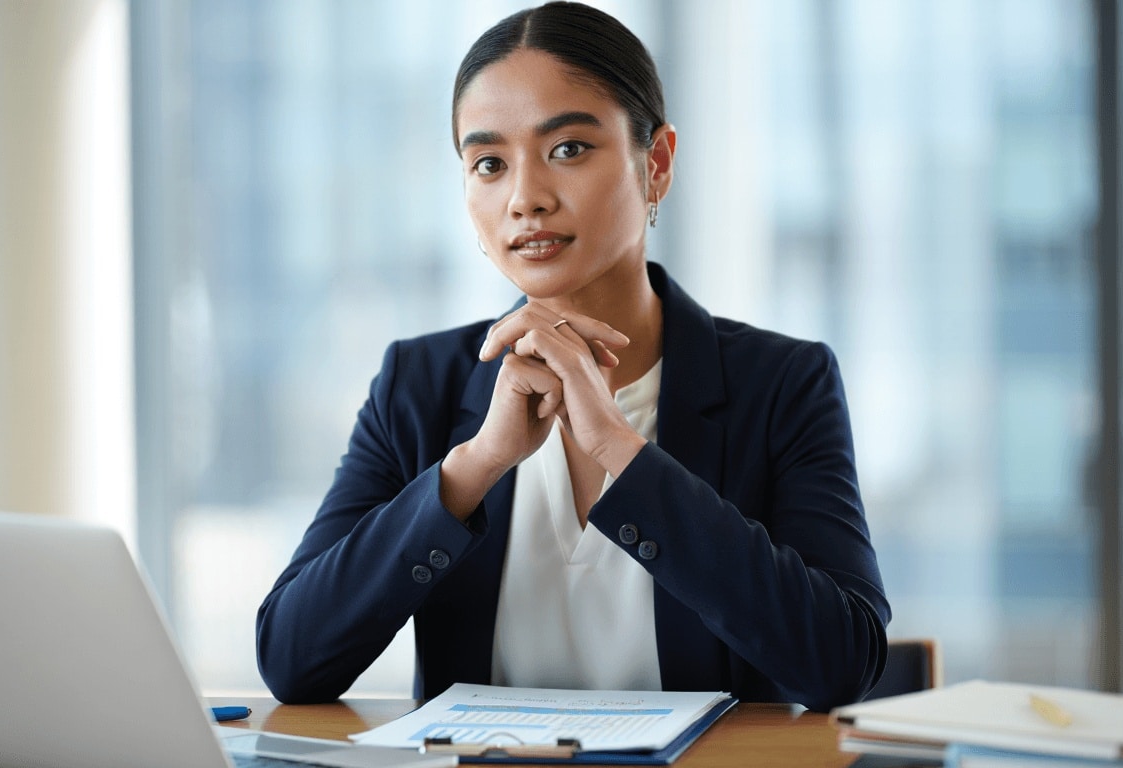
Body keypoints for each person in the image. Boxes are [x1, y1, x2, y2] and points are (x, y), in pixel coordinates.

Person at [256, 1, 890, 712]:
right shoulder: (419, 383)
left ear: (656, 164)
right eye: (489, 163)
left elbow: (843, 661)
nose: (526, 199)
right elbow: (291, 658)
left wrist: (623, 453)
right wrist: (474, 465)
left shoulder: (781, 384)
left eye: (568, 149)